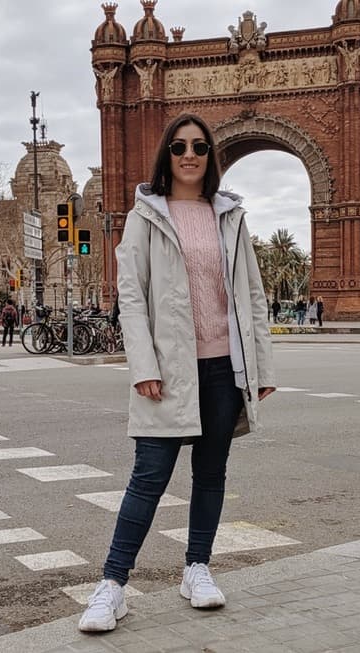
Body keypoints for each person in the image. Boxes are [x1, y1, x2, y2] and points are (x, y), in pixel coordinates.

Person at [78, 113, 277, 633]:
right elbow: (131, 297)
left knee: (210, 475)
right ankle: (113, 585)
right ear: (166, 155)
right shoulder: (146, 214)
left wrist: (261, 364)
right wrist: (142, 364)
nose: (190, 155)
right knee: (148, 478)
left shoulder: (229, 215)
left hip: (223, 368)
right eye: (179, 146)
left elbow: (252, 296)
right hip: (166, 370)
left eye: (200, 147)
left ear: (212, 157)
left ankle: (197, 569)